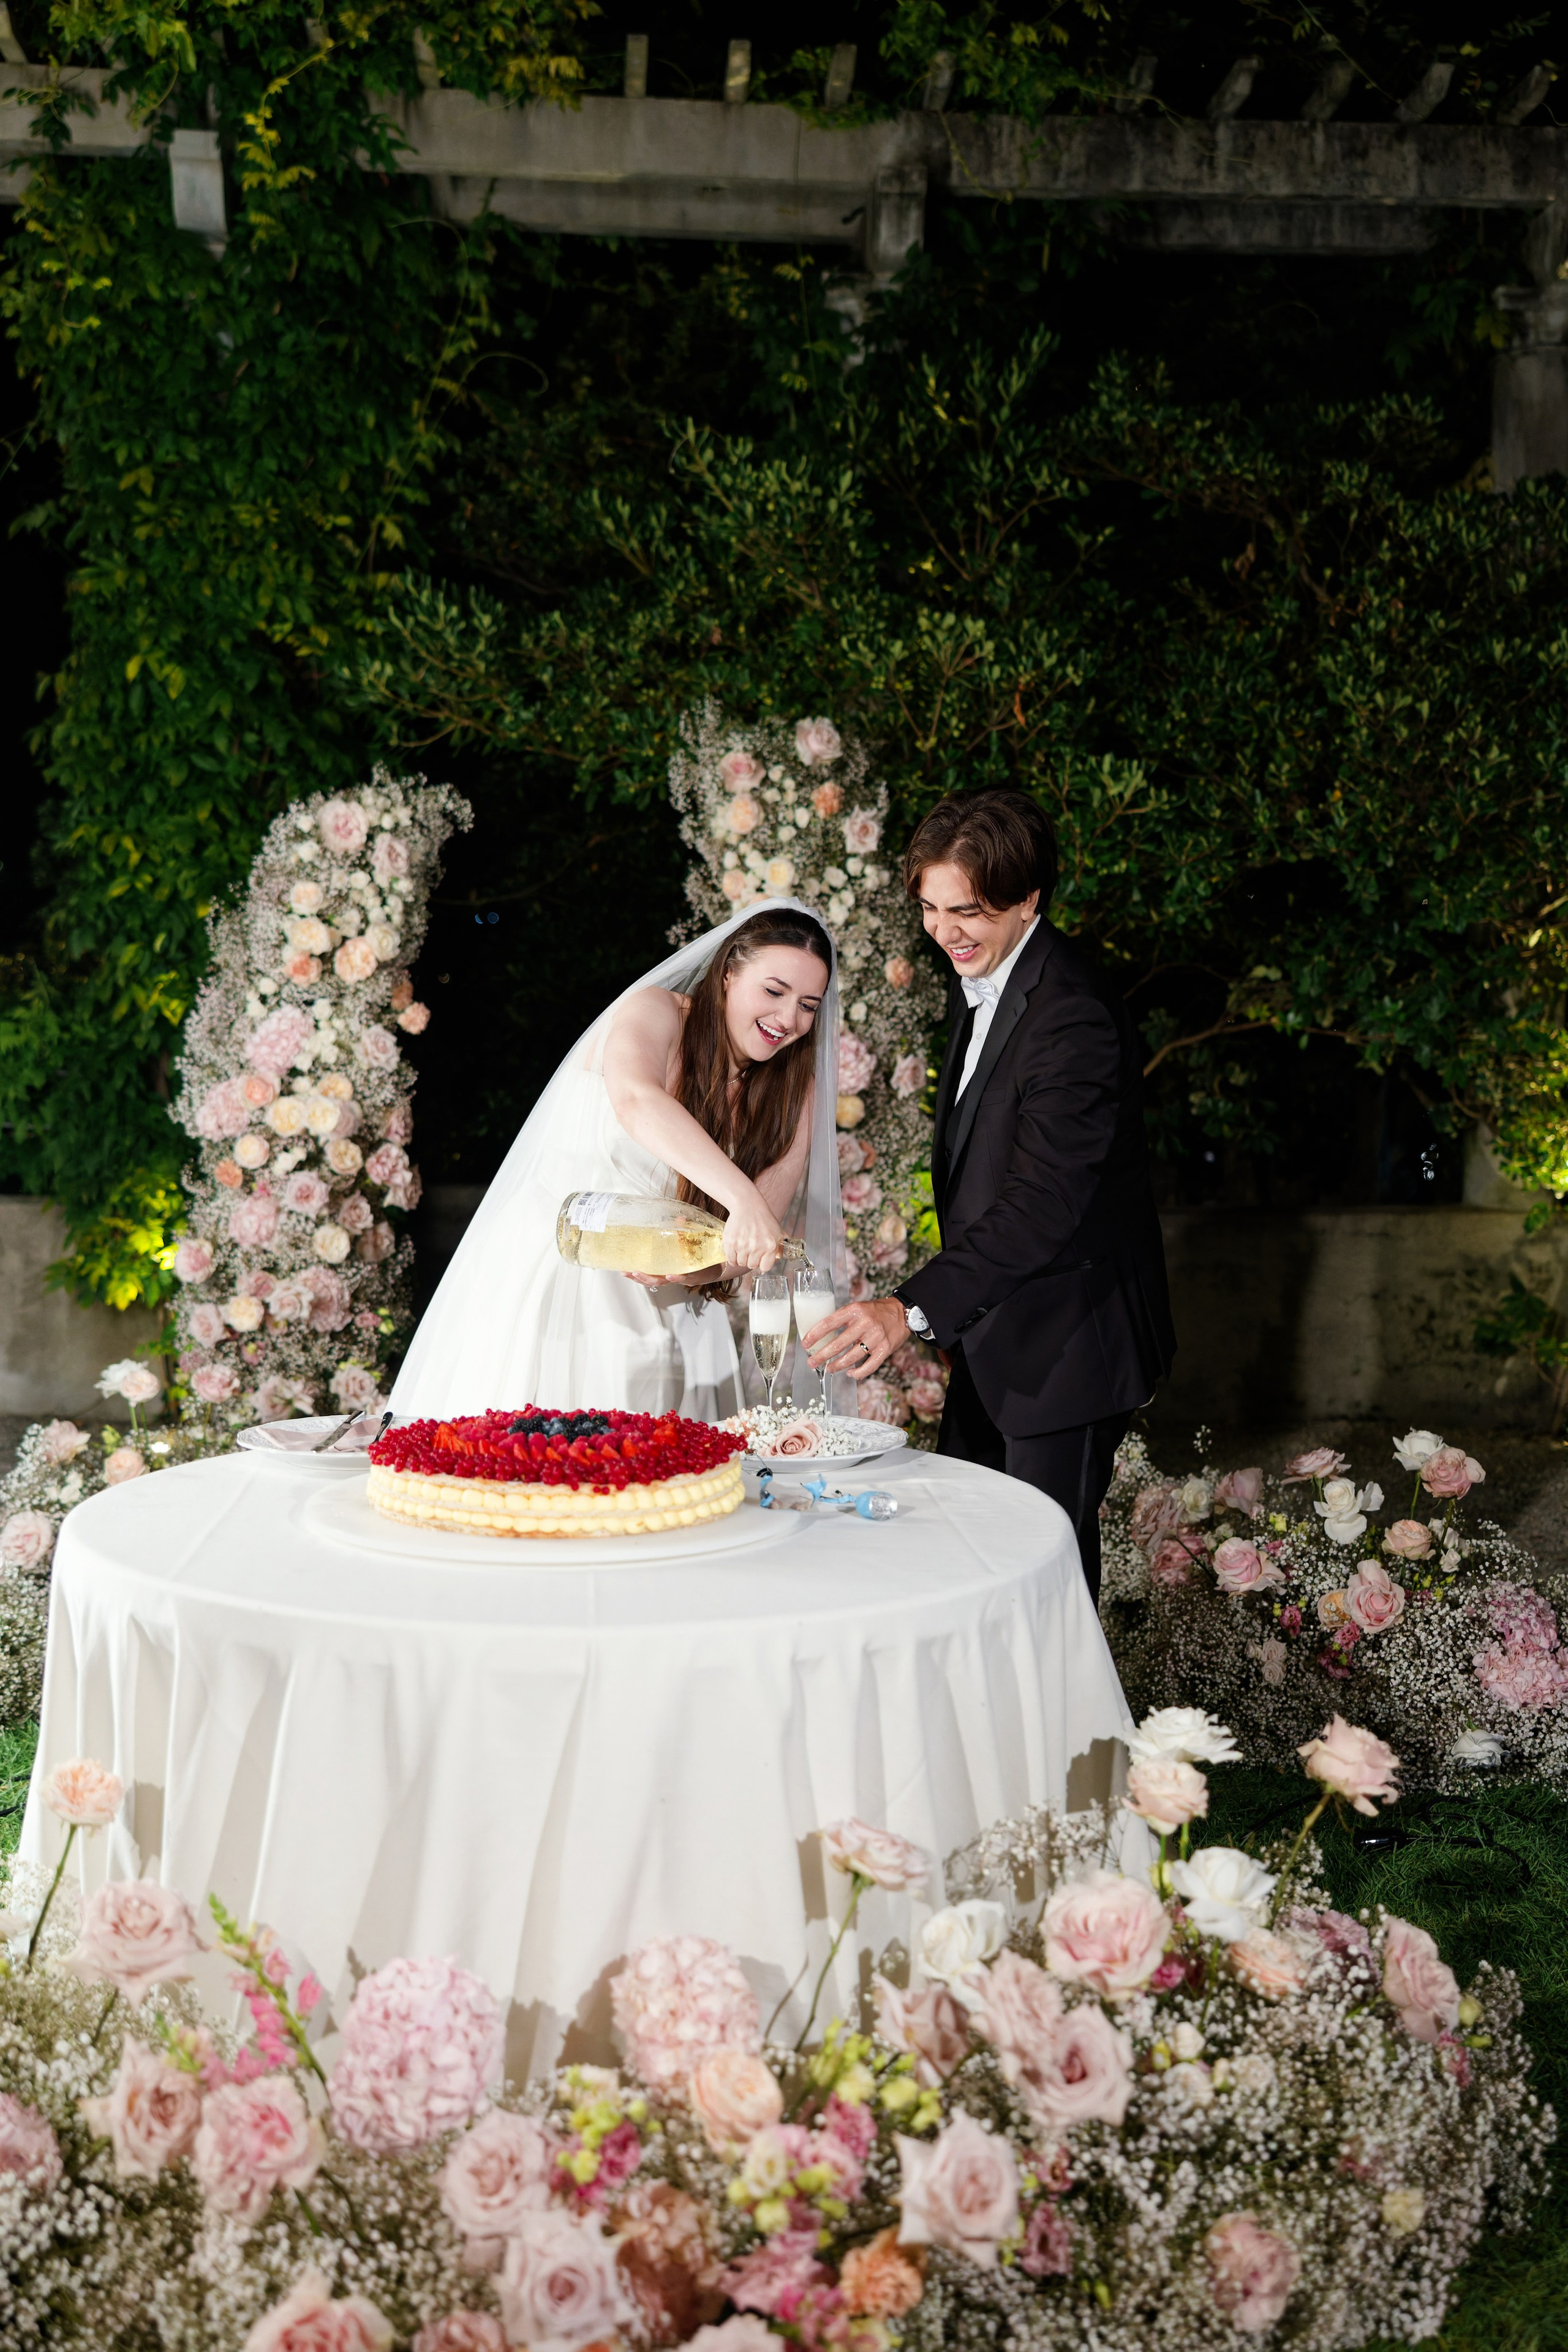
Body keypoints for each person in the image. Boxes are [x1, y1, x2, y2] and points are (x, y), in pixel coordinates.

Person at [805, 790, 1175, 1602]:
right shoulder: (990, 975)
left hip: (1069, 1341)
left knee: (1041, 1577)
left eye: (967, 910)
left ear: (1028, 896)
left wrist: (908, 1310)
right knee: (973, 1559)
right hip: (994, 1331)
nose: (946, 932)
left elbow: (1044, 1201)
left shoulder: (1070, 1012)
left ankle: (1074, 1729)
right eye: (933, 909)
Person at [391, 902, 845, 1422]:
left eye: (809, 1005)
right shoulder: (655, 1013)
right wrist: (741, 1196)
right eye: (773, 991)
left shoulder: (796, 1092)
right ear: (727, 973)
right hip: (558, 1276)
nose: (789, 1020)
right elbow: (638, 1102)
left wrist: (689, 1270)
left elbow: (754, 1240)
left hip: (675, 1307)